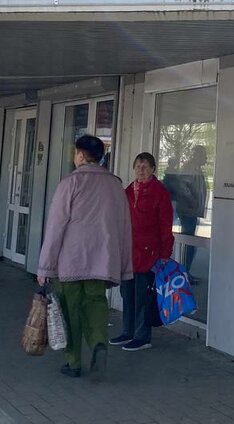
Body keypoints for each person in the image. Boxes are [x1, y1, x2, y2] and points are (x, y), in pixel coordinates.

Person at [37, 135, 132, 379]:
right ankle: (99, 341)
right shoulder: (115, 185)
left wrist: (45, 267)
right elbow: (124, 226)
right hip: (102, 260)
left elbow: (56, 227)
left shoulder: (70, 183)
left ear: (80, 155)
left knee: (70, 310)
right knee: (96, 304)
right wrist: (123, 265)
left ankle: (73, 362)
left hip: (70, 260)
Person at [111, 152, 173, 352]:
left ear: (154, 169)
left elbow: (165, 225)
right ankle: (128, 331)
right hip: (129, 253)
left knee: (143, 296)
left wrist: (165, 253)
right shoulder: (129, 190)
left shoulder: (159, 192)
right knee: (127, 293)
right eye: (138, 165)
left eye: (145, 166)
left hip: (149, 254)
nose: (141, 169)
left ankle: (142, 336)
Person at [171, 146, 208, 276]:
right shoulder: (190, 167)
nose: (206, 158)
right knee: (188, 243)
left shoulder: (195, 168)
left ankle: (185, 271)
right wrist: (191, 200)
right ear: (197, 155)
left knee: (190, 243)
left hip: (192, 211)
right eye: (204, 154)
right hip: (188, 211)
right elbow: (182, 185)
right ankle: (183, 273)